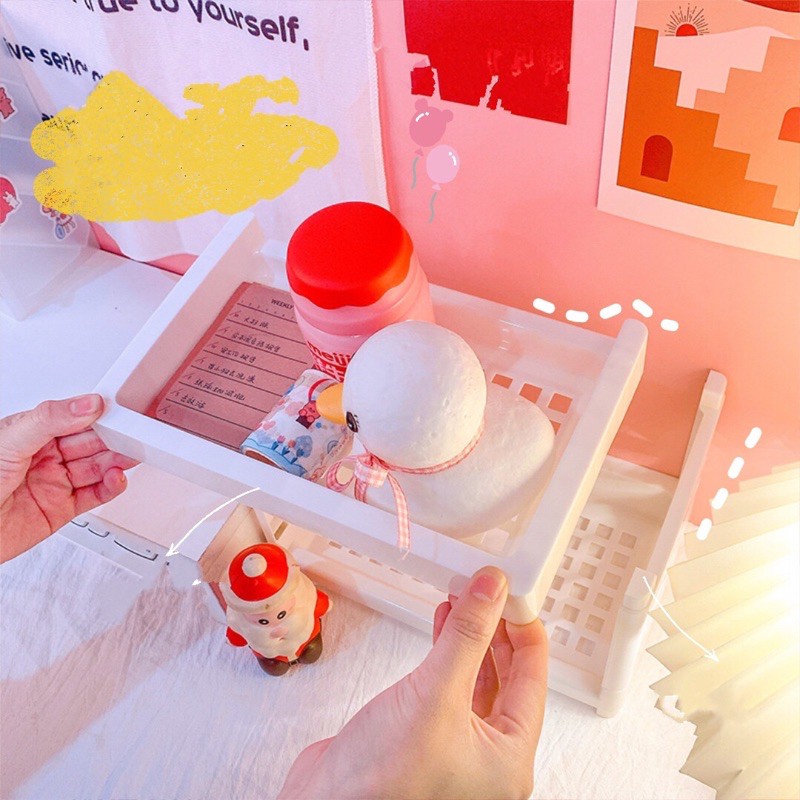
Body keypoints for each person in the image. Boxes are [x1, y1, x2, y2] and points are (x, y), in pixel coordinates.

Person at [0, 395, 549, 799]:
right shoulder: (242, 611)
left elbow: (311, 599)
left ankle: (298, 648)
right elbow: (248, 622)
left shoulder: (299, 591)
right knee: (277, 651)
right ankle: (281, 656)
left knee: (304, 638)